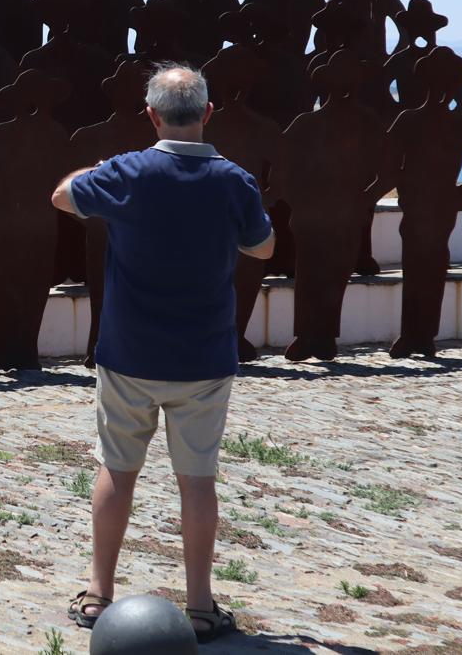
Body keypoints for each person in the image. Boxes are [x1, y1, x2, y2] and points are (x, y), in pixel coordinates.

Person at [51, 63, 275, 644]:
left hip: (128, 353)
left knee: (116, 471)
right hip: (203, 356)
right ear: (207, 113)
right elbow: (263, 247)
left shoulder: (127, 173)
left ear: (150, 114)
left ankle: (99, 594)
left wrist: (98, 169)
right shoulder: (234, 180)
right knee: (197, 481)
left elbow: (61, 196)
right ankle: (200, 605)